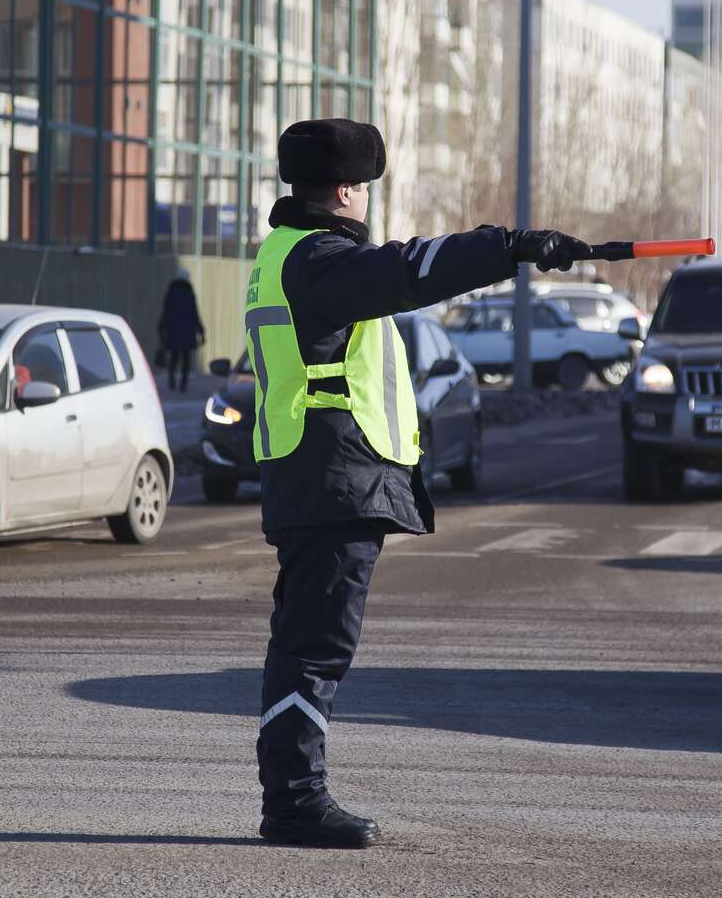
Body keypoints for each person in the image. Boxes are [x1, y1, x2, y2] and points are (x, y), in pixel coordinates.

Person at [247, 117, 590, 849]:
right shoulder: (319, 259)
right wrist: (510, 245)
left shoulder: (283, 254)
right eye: (364, 187)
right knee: (315, 647)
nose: (366, 200)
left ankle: (292, 794)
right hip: (332, 473)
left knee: (304, 643)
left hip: (312, 469)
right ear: (346, 189)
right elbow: (410, 268)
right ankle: (295, 800)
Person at [156, 268, 205, 393]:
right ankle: (183, 384)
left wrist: (161, 328)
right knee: (186, 359)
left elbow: (165, 313)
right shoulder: (189, 293)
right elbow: (194, 313)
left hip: (173, 331)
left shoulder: (170, 293)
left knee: (174, 357)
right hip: (187, 332)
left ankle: (172, 380)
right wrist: (201, 331)